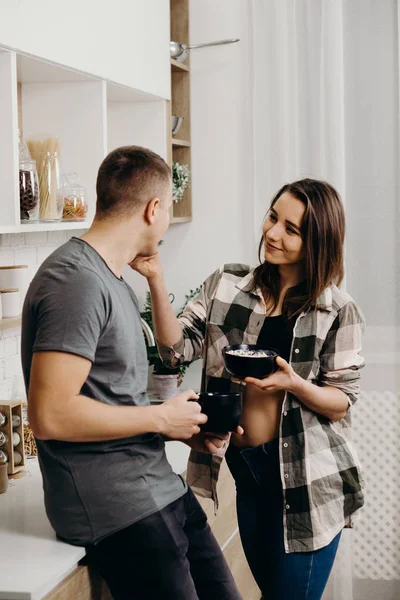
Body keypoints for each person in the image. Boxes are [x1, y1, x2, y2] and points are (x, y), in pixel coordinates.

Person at [21, 146, 243, 600]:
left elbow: (109, 399)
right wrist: (160, 419)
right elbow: (51, 414)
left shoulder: (112, 278)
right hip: (118, 511)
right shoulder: (75, 282)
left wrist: (175, 427)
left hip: (157, 489)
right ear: (154, 208)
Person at [133, 178, 365, 600]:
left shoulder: (336, 309)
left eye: (291, 229)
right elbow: (175, 350)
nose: (272, 232)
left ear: (317, 241)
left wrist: (293, 382)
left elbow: (341, 402)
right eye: (273, 217)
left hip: (307, 483)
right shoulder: (227, 284)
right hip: (249, 475)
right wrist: (155, 278)